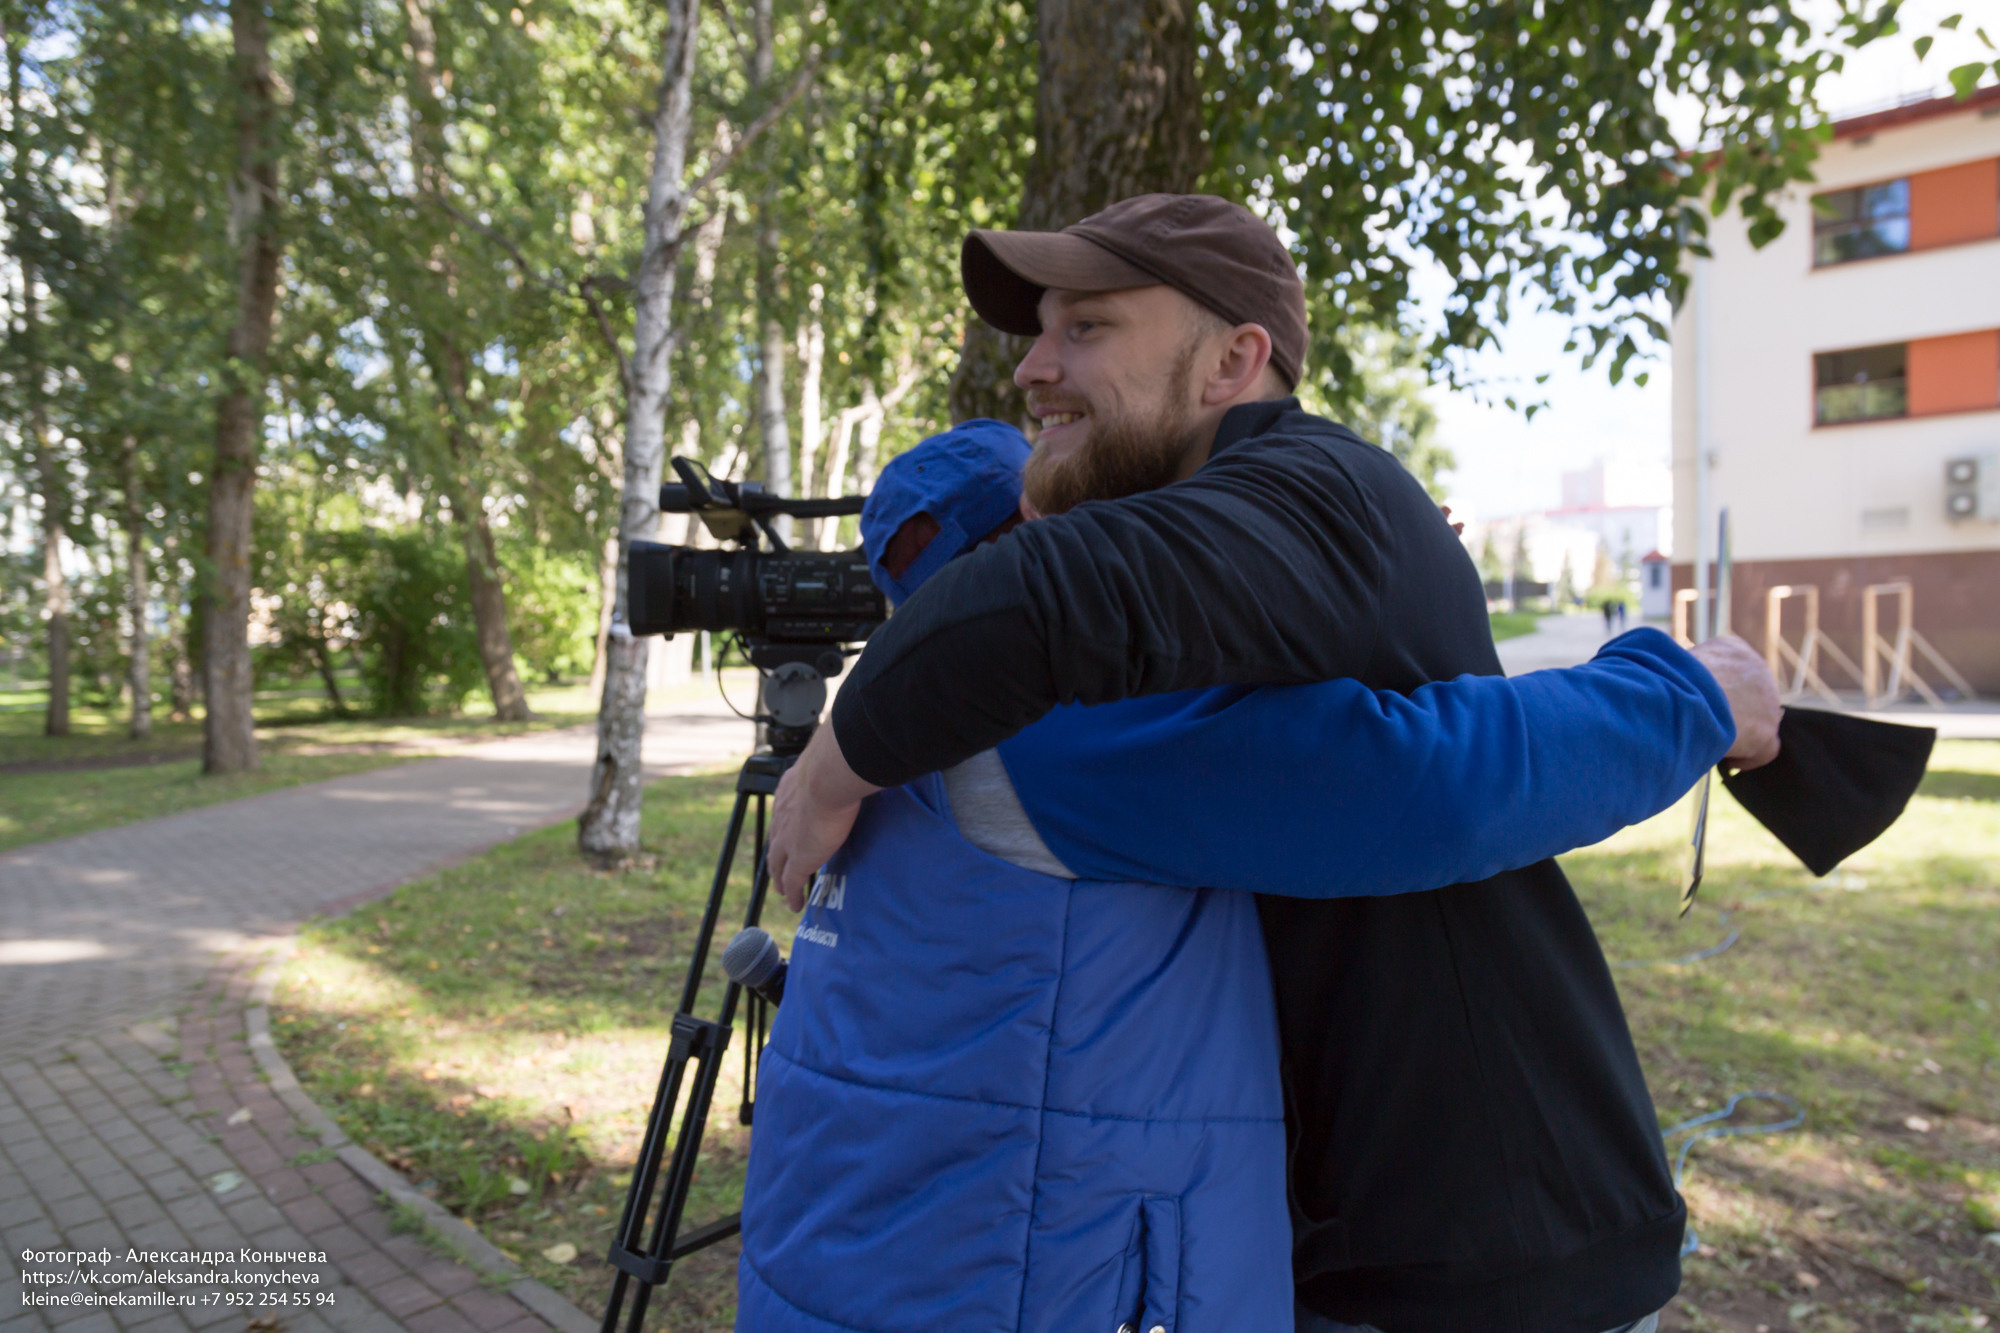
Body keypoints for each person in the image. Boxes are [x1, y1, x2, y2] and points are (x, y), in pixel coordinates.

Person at [768, 193, 1782, 1333]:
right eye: (1038, 332)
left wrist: (829, 768)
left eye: (1086, 328)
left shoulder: (1311, 482)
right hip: (1352, 1226)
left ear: (1233, 359)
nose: (1031, 370)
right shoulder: (1215, 528)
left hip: (1478, 1240)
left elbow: (1422, 784)